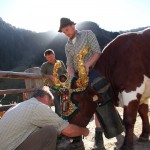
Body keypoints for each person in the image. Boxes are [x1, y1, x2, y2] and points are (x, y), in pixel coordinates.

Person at [58, 17, 106, 150]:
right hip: (77, 76)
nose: (66, 33)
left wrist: (87, 64)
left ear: (73, 25)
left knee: (97, 103)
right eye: (63, 32)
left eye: (67, 29)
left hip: (93, 71)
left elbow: (97, 52)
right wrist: (71, 76)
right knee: (71, 103)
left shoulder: (87, 34)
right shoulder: (67, 45)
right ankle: (77, 139)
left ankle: (99, 139)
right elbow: (69, 63)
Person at [0, 86, 89, 150]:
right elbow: (68, 131)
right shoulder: (37, 107)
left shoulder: (20, 105)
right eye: (50, 104)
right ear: (46, 97)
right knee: (50, 131)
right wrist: (84, 131)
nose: (49, 107)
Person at [41, 49, 67, 116]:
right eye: (48, 57)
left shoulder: (60, 62)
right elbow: (41, 75)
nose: (50, 59)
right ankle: (59, 121)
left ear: (54, 55)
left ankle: (66, 120)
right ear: (46, 58)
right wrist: (49, 76)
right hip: (53, 88)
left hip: (64, 86)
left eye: (51, 57)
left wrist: (63, 78)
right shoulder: (45, 65)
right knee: (58, 106)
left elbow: (65, 72)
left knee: (66, 104)